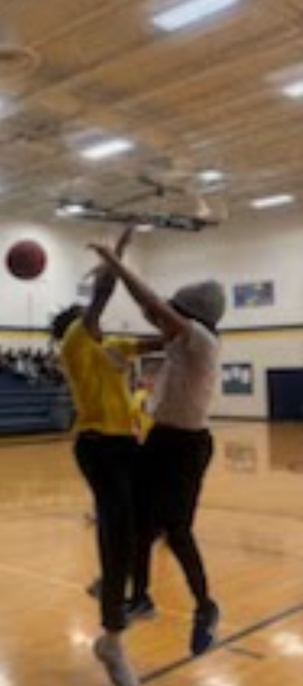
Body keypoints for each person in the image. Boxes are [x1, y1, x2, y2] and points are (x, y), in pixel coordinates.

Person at [89, 245, 225, 657]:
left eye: (173, 311)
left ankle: (206, 608)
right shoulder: (176, 342)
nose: (160, 317)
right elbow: (148, 324)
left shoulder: (199, 339)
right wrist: (113, 346)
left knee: (177, 532)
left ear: (191, 316)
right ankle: (141, 596)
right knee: (140, 525)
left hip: (187, 446)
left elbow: (150, 304)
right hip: (161, 440)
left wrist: (115, 265)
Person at [52, 228, 162, 686]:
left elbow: (160, 341)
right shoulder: (75, 344)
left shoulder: (112, 347)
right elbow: (101, 293)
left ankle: (115, 583)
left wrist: (192, 325)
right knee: (118, 530)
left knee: (153, 521)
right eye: (87, 318)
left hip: (127, 444)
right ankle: (111, 639)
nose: (95, 320)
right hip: (98, 444)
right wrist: (115, 254)